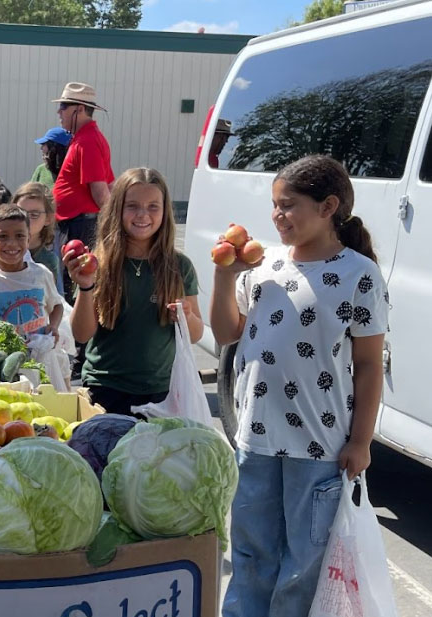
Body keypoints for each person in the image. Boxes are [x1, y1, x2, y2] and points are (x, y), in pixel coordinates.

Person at [211, 155, 388, 617]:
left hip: (320, 448)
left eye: (288, 205)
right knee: (251, 557)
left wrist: (360, 441)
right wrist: (223, 277)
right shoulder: (263, 265)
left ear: (328, 206)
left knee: (301, 567)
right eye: (274, 205)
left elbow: (369, 366)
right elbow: (227, 333)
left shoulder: (359, 276)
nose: (277, 216)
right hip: (256, 440)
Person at [66, 168, 201, 416]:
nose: (142, 215)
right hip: (104, 389)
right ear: (117, 209)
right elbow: (81, 334)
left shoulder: (179, 266)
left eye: (153, 206)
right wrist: (86, 286)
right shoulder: (98, 263)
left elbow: (195, 333)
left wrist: (185, 316)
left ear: (165, 211)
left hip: (161, 392)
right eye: (132, 206)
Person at [52, 82, 115, 302]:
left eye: (63, 106)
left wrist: (112, 226)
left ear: (78, 109)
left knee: (71, 285)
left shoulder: (87, 141)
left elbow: (100, 191)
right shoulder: (88, 138)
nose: (59, 112)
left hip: (79, 226)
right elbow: (109, 185)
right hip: (78, 224)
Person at [0, 205, 62, 339]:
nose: (12, 243)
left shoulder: (41, 273)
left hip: (39, 355)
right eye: (3, 236)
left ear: (28, 239)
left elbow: (56, 305)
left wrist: (53, 326)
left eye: (20, 236)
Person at [14, 182, 62, 296]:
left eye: (34, 215)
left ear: (48, 218)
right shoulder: (1, 249)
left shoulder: (48, 260)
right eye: (20, 212)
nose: (25, 219)